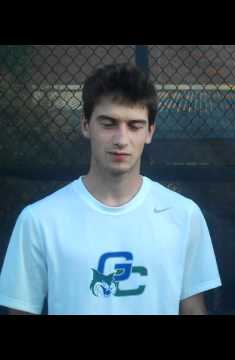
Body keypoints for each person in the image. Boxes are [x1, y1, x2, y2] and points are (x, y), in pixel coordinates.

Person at [0, 63, 221, 315]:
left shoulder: (184, 214)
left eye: (135, 126)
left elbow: (193, 310)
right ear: (86, 125)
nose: (121, 139)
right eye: (108, 123)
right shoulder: (39, 219)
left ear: (150, 132)